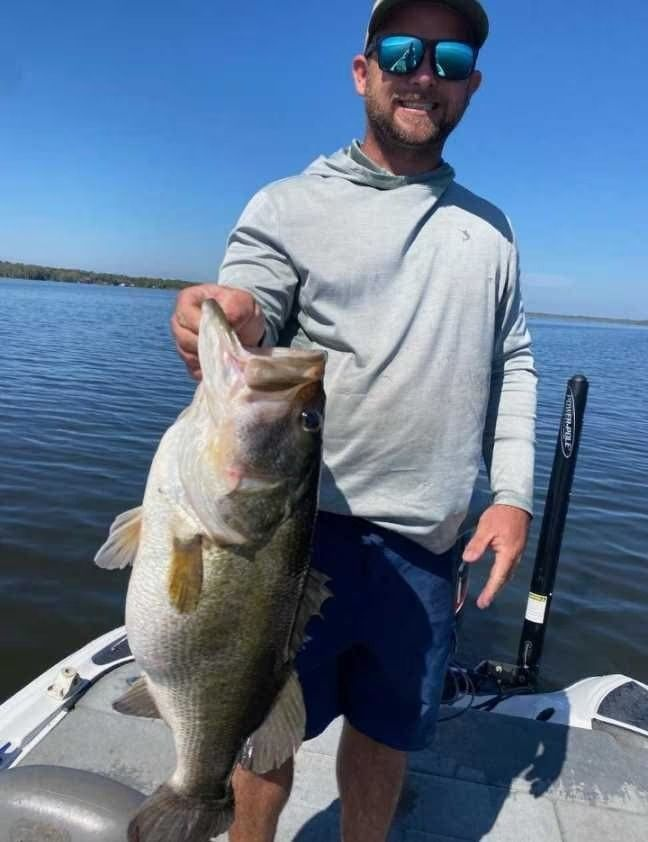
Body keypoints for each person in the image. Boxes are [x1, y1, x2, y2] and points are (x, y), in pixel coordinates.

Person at [172, 1, 537, 839]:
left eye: (448, 59)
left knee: (386, 733)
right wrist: (223, 316)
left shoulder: (493, 230)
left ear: (471, 85)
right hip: (296, 538)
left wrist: (511, 494)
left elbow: (511, 361)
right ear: (363, 68)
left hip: (428, 545)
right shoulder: (289, 204)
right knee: (263, 737)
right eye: (403, 50)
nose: (423, 73)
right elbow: (251, 306)